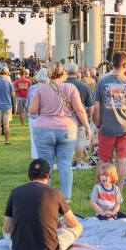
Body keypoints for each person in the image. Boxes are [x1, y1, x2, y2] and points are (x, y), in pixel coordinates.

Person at [28, 63, 90, 202]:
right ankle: (66, 198)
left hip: (43, 129)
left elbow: (32, 110)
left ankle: (44, 197)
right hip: (67, 129)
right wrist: (87, 126)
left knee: (45, 164)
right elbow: (80, 109)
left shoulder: (40, 88)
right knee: (65, 164)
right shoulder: (71, 88)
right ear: (64, 74)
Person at [2, 158, 83, 250]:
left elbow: (7, 228)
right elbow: (73, 223)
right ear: (48, 176)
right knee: (78, 227)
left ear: (28, 175)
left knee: (6, 232)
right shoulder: (55, 192)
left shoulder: (15, 192)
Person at [93, 51, 126, 192]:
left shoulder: (102, 81)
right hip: (125, 128)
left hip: (106, 127)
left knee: (103, 160)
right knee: (122, 160)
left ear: (112, 64)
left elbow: (96, 107)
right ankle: (118, 190)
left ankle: (98, 189)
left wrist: (97, 123)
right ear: (125, 65)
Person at [65, 63, 94, 169]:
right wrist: (90, 118)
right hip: (80, 119)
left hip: (65, 119)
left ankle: (66, 163)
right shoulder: (84, 86)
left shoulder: (61, 85)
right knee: (79, 143)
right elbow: (90, 106)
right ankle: (78, 164)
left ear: (66, 72)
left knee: (66, 142)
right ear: (77, 72)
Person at [26, 68, 49, 159]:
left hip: (33, 117)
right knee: (46, 140)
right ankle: (46, 159)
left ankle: (36, 159)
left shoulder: (32, 88)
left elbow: (28, 104)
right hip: (45, 117)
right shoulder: (50, 88)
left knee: (34, 139)